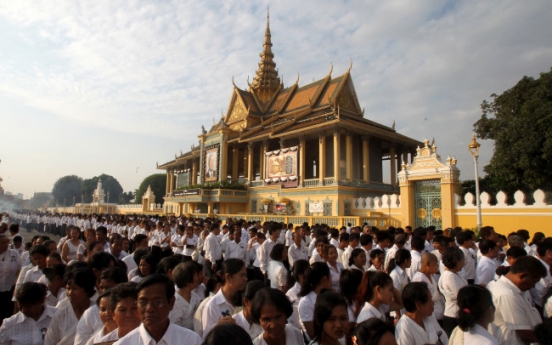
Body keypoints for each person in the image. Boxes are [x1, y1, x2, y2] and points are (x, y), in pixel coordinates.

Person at [114, 274, 201, 345]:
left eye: (158, 302)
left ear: (171, 303)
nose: (149, 309)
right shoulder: (124, 343)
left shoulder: (191, 340)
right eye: (143, 302)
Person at [488, 256, 546, 345]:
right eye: (533, 281)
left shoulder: (514, 290)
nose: (533, 286)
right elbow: (524, 333)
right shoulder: (507, 294)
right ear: (522, 275)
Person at [45, 267, 96, 345]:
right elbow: (49, 342)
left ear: (87, 289)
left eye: (75, 288)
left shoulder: (97, 312)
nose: (70, 293)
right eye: (68, 288)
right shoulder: (60, 315)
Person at [202, 258, 248, 338]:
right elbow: (206, 338)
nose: (245, 279)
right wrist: (218, 327)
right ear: (228, 277)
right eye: (241, 275)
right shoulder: (213, 305)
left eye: (245, 275)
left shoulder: (245, 300)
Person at [298, 262, 332, 341]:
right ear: (325, 279)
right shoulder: (306, 302)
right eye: (330, 276)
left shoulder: (329, 295)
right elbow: (313, 334)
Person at [438, 247, 467, 336]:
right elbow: (462, 295)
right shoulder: (449, 276)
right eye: (462, 260)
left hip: (458, 315)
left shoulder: (455, 274)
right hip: (453, 315)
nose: (464, 263)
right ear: (456, 261)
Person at [412, 252, 444, 322]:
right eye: (435, 264)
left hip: (438, 314)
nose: (437, 267)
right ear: (427, 264)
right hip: (429, 316)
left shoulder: (431, 276)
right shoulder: (419, 278)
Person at [169, 262, 202, 329]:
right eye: (195, 276)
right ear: (188, 280)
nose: (197, 278)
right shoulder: (175, 302)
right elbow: (175, 327)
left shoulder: (194, 296)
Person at [0, 233, 22, 322]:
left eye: (7, 242)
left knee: (7, 313)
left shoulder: (14, 254)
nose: (6, 245)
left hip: (10, 289)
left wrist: (17, 285)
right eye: (3, 243)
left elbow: (20, 269)